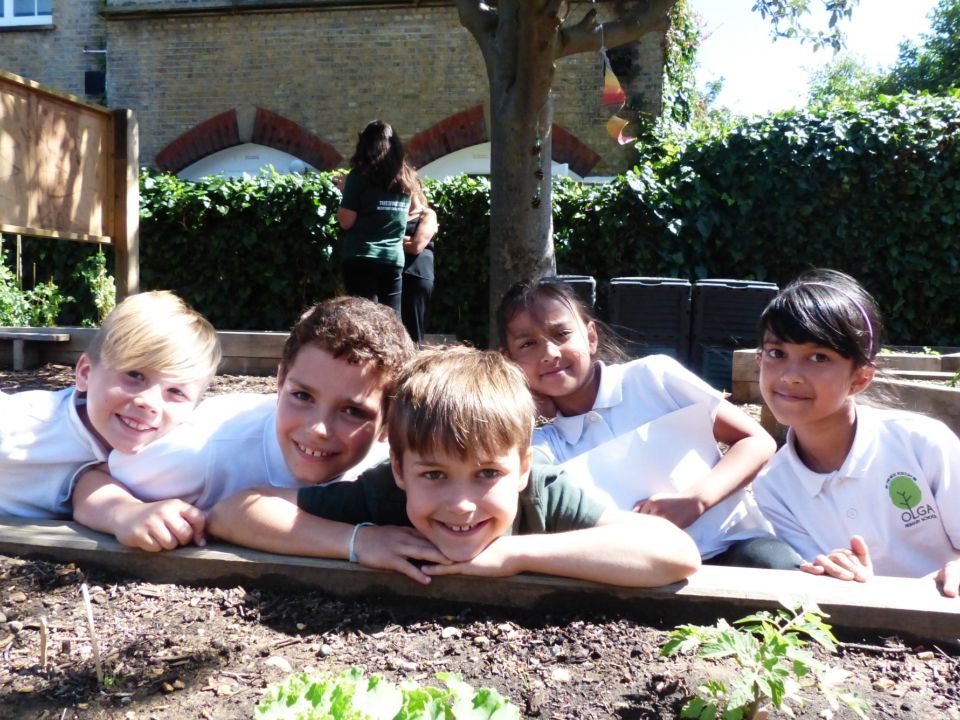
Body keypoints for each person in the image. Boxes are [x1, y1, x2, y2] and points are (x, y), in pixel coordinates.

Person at [207, 346, 701, 588]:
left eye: (488, 474)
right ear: (399, 470)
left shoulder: (544, 493)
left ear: (524, 468)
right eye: (434, 475)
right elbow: (234, 512)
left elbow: (674, 551)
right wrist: (360, 542)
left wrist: (518, 556)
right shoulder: (384, 496)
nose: (462, 505)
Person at [496, 279, 800, 569]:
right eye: (527, 345)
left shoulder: (653, 377)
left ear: (590, 337)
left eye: (561, 335)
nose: (549, 353)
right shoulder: (542, 443)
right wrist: (523, 409)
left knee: (778, 568)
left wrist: (695, 501)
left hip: (735, 544)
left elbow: (757, 441)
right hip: (645, 573)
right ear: (508, 359)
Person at [71, 296, 415, 552]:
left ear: (389, 423)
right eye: (303, 397)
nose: (318, 429)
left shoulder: (399, 464)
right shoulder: (199, 453)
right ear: (279, 382)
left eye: (353, 412)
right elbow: (93, 477)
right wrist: (124, 513)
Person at [752, 269, 960, 596]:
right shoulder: (773, 488)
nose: (790, 375)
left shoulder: (922, 444)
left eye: (818, 357)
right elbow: (821, 581)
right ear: (759, 359)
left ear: (861, 378)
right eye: (777, 353)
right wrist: (844, 574)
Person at [0, 291, 221, 519]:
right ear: (86, 373)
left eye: (175, 391)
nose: (150, 403)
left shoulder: (179, 452)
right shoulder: (24, 424)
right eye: (135, 375)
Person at [338, 120, 419, 315]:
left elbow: (346, 221)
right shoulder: (406, 178)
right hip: (393, 258)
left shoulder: (358, 177)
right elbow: (416, 210)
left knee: (365, 319)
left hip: (362, 255)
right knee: (391, 319)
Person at [400, 184, 438, 344]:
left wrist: (395, 239)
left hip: (417, 276)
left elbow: (417, 246)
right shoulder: (398, 214)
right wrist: (409, 239)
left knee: (413, 330)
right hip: (397, 275)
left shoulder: (427, 214)